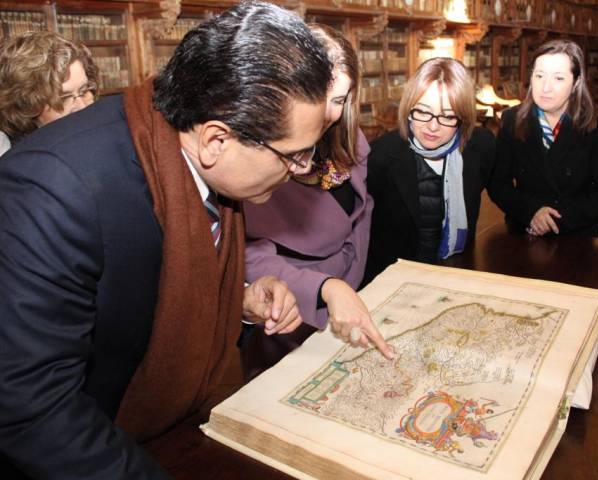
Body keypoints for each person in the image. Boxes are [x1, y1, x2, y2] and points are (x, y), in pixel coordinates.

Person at [0, 2, 333, 478]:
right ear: (216, 140)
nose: (301, 170)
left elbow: (156, 292)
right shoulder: (54, 188)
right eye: (295, 155)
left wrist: (237, 302)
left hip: (173, 432)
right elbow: (33, 408)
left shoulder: (193, 155)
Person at [241, 24, 393, 382]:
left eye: (339, 100)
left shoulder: (351, 138)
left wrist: (350, 287)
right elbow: (248, 253)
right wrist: (324, 288)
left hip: (350, 296)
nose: (327, 114)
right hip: (288, 310)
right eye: (319, 96)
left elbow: (360, 218)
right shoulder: (262, 156)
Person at [363, 57, 496, 284]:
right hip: (394, 280)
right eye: (423, 112)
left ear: (463, 118)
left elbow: (502, 186)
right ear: (408, 108)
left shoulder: (481, 147)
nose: (433, 126)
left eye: (448, 116)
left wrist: (532, 211)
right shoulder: (379, 156)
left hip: (455, 274)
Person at [487, 39, 598, 237]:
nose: (545, 87)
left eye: (558, 78)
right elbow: (498, 184)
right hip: (523, 230)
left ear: (576, 83)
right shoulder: (512, 119)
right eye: (539, 76)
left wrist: (554, 221)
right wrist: (531, 213)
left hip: (576, 234)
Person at [0, 31, 99, 155]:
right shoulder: (20, 159)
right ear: (27, 107)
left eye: (84, 91)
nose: (82, 107)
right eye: (63, 98)